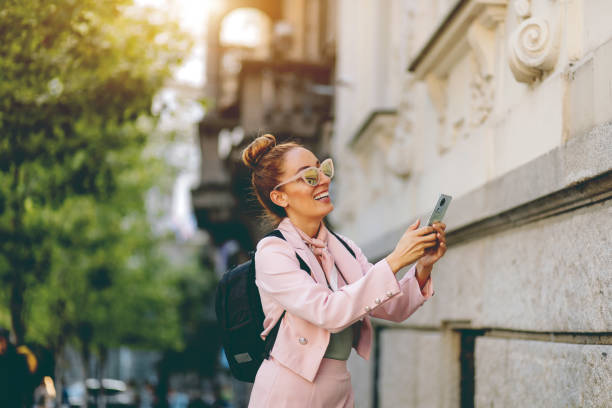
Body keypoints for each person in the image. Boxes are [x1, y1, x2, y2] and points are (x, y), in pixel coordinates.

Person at [241, 135, 447, 407]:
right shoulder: (273, 252)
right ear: (280, 196)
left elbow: (392, 307)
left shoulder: (344, 247)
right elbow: (328, 312)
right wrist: (396, 259)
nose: (325, 180)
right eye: (310, 177)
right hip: (289, 391)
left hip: (339, 388)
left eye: (324, 169)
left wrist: (422, 266)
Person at [0, 326, 34, 407]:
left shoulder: (18, 359)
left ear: (6, 341)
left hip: (15, 403)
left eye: (1, 341)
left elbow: (27, 386)